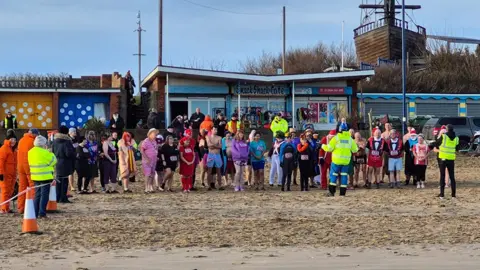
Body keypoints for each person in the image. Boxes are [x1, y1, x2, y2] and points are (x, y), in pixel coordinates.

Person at [322, 123, 358, 196]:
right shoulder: (350, 139)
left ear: (339, 129)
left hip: (336, 161)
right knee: (344, 176)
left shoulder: (336, 138)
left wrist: (322, 146)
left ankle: (332, 192)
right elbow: (355, 150)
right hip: (346, 162)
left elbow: (329, 148)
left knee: (333, 176)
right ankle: (342, 193)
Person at [28, 135, 56, 218]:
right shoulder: (45, 152)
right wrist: (51, 153)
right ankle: (42, 212)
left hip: (35, 176)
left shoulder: (30, 151)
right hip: (45, 176)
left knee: (37, 195)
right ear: (43, 144)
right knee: (44, 195)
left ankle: (35, 213)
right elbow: (54, 161)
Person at [433, 124, 459, 200]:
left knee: (442, 176)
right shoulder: (456, 138)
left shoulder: (444, 136)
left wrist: (439, 135)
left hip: (443, 158)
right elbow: (457, 148)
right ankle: (453, 195)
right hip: (451, 158)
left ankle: (442, 195)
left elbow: (437, 143)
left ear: (447, 129)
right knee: (452, 177)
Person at [16, 128, 39, 214]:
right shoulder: (33, 142)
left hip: (20, 166)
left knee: (22, 187)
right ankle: (32, 207)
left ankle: (21, 208)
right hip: (29, 166)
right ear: (34, 134)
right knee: (32, 186)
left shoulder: (21, 140)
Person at [52, 125, 75, 203]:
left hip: (57, 161)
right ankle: (63, 197)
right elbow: (68, 153)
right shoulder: (67, 141)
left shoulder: (55, 140)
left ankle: (57, 197)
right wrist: (74, 153)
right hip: (65, 162)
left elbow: (52, 151)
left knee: (58, 180)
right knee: (65, 181)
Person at [0, 132, 17, 213]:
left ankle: (7, 207)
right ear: (8, 139)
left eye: (15, 139)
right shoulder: (4, 149)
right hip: (5, 174)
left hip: (12, 174)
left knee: (10, 191)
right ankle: (3, 208)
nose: (13, 141)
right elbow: (0, 162)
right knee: (5, 191)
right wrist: (1, 173)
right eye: (12, 139)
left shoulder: (13, 150)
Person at [141, 128, 159, 194]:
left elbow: (156, 149)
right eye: (154, 134)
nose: (155, 135)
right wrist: (146, 158)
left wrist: (156, 156)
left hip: (153, 160)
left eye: (156, 134)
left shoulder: (154, 141)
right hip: (147, 161)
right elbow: (142, 151)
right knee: (147, 174)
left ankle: (150, 186)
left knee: (152, 174)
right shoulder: (146, 141)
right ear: (150, 134)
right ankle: (146, 188)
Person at [206, 126, 223, 190]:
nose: (216, 130)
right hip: (211, 155)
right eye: (214, 129)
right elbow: (209, 145)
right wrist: (216, 146)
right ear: (211, 130)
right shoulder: (208, 137)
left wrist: (213, 146)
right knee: (209, 171)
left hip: (217, 155)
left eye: (216, 129)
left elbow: (220, 146)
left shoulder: (219, 137)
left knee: (218, 171)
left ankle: (220, 185)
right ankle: (209, 185)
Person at [68, 128, 78, 194]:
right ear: (70, 133)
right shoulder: (69, 140)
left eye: (75, 131)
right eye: (74, 132)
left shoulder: (75, 139)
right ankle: (71, 186)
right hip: (71, 158)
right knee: (71, 172)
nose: (75, 132)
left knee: (76, 172)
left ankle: (75, 185)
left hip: (76, 157)